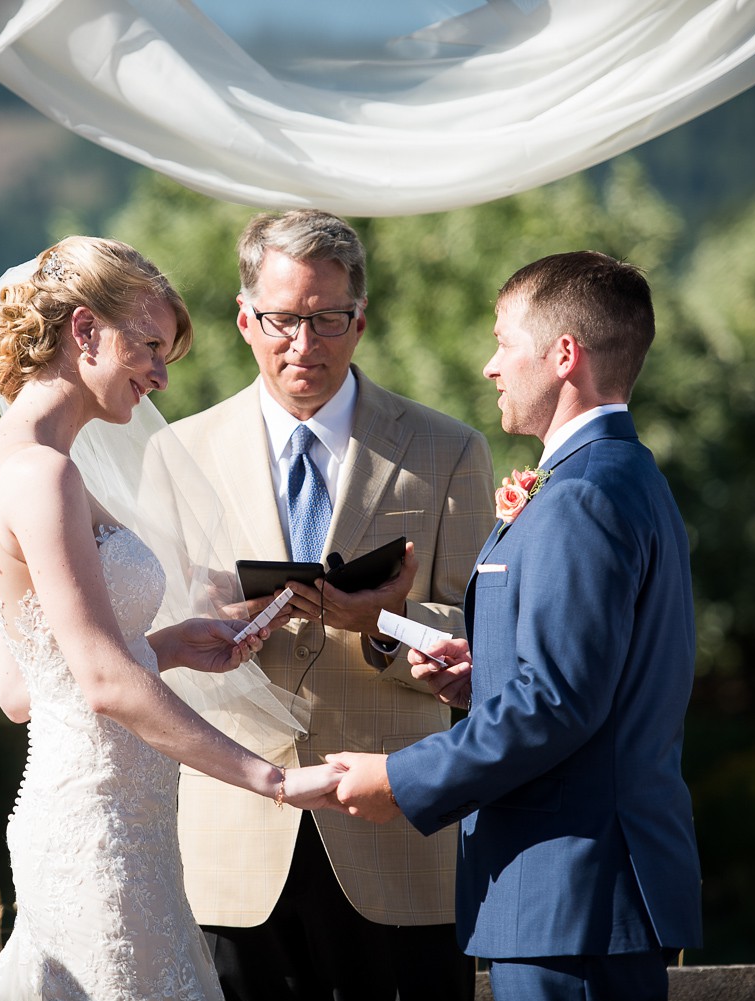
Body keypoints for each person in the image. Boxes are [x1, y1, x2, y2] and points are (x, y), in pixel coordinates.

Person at [0, 236, 345, 1001]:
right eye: (148, 346)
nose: (162, 376)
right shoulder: (44, 475)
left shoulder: (15, 461)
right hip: (98, 832)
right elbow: (101, 681)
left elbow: (24, 690)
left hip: (105, 819)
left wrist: (163, 645)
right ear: (82, 332)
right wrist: (271, 780)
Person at [329, 251, 704, 1001]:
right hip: (577, 893)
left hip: (572, 891)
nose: (489, 365)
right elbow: (589, 675)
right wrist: (482, 671)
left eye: (504, 341)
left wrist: (401, 778)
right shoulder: (621, 475)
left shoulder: (581, 497)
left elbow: (557, 702)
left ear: (564, 354)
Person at [168, 209, 493, 1001]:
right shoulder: (175, 453)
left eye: (327, 320)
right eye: (282, 319)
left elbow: (489, 643)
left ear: (362, 320)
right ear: (246, 318)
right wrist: (210, 617)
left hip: (398, 840)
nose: (303, 345)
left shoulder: (449, 450)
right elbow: (149, 654)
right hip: (234, 846)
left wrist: (381, 624)